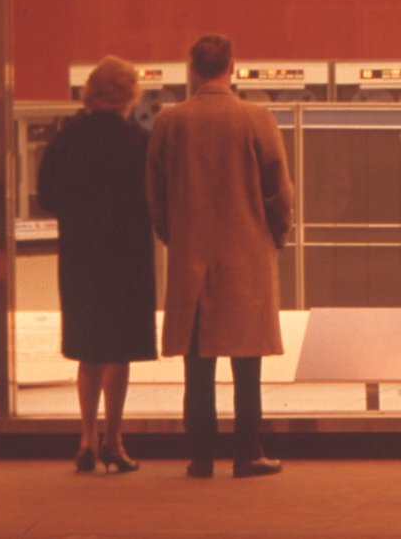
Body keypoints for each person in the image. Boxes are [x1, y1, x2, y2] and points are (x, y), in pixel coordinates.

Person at [147, 34, 295, 479]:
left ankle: (201, 456)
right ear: (233, 65)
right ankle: (248, 453)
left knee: (198, 364)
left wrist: (176, 235)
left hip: (191, 255)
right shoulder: (255, 118)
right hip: (246, 256)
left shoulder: (170, 122)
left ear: (192, 68)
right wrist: (274, 236)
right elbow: (280, 191)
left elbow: (155, 195)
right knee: (246, 362)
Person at [37, 56, 156, 475]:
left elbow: (47, 196)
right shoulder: (139, 141)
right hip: (125, 255)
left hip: (81, 253)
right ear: (129, 94)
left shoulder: (66, 139)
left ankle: (85, 438)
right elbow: (153, 199)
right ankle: (114, 440)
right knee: (116, 353)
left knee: (87, 350)